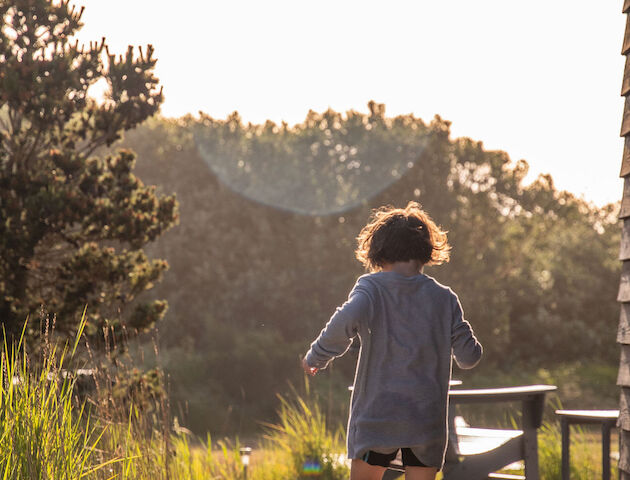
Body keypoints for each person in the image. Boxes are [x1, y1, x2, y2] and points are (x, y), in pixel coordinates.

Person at [301, 201, 482, 480]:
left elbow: (344, 321)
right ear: (425, 251)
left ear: (378, 252)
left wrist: (316, 356)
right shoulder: (445, 298)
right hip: (426, 423)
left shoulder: (371, 288)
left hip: (378, 420)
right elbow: (470, 357)